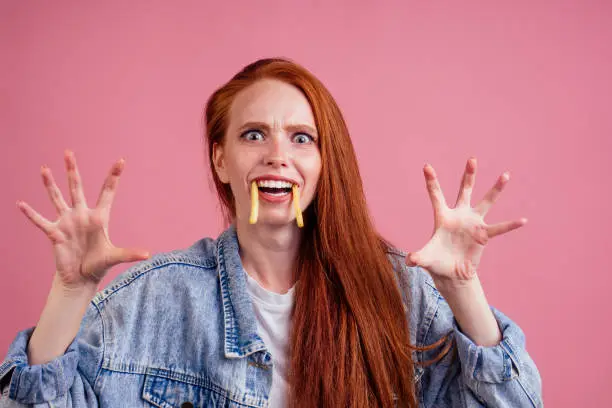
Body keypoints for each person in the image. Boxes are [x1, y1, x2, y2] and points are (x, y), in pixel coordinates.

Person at [0, 58, 542, 408]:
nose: (278, 156)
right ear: (220, 160)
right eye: (254, 134)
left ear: (326, 162)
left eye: (302, 138)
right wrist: (69, 294)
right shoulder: (151, 302)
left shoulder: (402, 292)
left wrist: (464, 289)